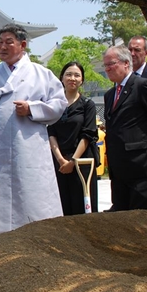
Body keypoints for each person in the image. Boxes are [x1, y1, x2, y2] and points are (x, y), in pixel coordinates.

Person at [0, 23, 66, 236]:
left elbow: (59, 104)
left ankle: (33, 238)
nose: (2, 47)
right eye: (0, 42)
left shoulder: (41, 74)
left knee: (30, 197)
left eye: (8, 42)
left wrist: (32, 108)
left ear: (22, 45)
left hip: (27, 146)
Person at [103, 45, 147, 211]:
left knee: (143, 222)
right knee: (121, 222)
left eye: (111, 64)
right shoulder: (110, 95)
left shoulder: (143, 86)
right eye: (105, 65)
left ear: (126, 63)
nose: (107, 69)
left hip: (143, 168)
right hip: (119, 171)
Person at [48, 61, 99, 215]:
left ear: (82, 80)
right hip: (59, 163)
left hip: (82, 163)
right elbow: (51, 132)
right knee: (61, 208)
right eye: (69, 74)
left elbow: (88, 134)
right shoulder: (54, 103)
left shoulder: (87, 105)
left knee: (82, 208)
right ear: (62, 78)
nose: (73, 78)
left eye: (77, 75)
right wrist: (60, 160)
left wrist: (72, 162)